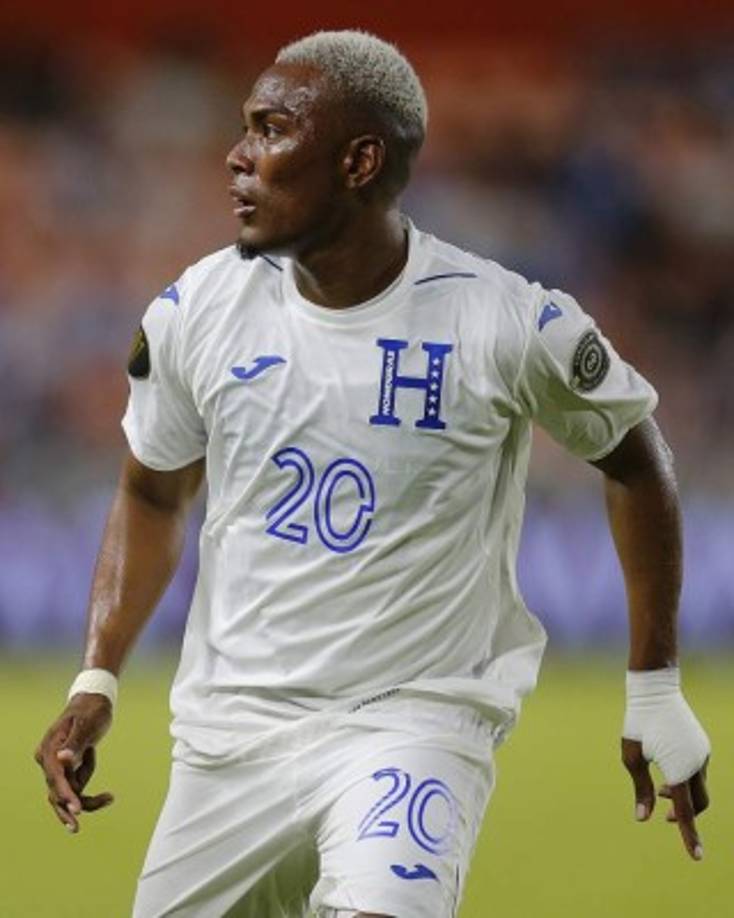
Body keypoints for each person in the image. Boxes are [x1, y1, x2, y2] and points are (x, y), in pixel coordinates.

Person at [35, 30, 710, 918]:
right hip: (230, 739)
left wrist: (655, 683)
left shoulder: (504, 322)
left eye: (271, 130)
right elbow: (152, 487)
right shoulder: (198, 308)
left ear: (358, 160)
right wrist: (97, 678)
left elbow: (636, 457)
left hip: (413, 724)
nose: (237, 156)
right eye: (245, 128)